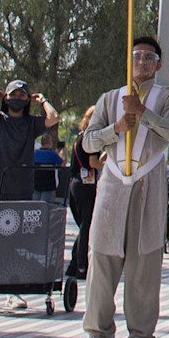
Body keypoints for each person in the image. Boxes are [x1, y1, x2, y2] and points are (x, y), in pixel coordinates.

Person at [78, 36, 169, 338]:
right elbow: (88, 142)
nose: (142, 62)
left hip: (148, 182)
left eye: (149, 57)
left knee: (145, 258)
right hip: (113, 183)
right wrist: (116, 129)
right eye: (136, 56)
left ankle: (140, 333)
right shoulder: (110, 99)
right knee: (101, 254)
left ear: (159, 64)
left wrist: (144, 114)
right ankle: (97, 329)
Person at [0, 79, 59, 237]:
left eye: (22, 95)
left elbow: (54, 117)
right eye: (13, 94)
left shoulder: (32, 123)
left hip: (21, 188)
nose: (17, 98)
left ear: (28, 99)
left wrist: (43, 100)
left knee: (16, 235)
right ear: (6, 98)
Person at [67, 113, 101, 281]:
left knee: (83, 225)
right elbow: (93, 162)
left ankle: (74, 264)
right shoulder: (92, 138)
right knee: (86, 226)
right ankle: (82, 266)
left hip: (75, 182)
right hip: (85, 185)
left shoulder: (79, 138)